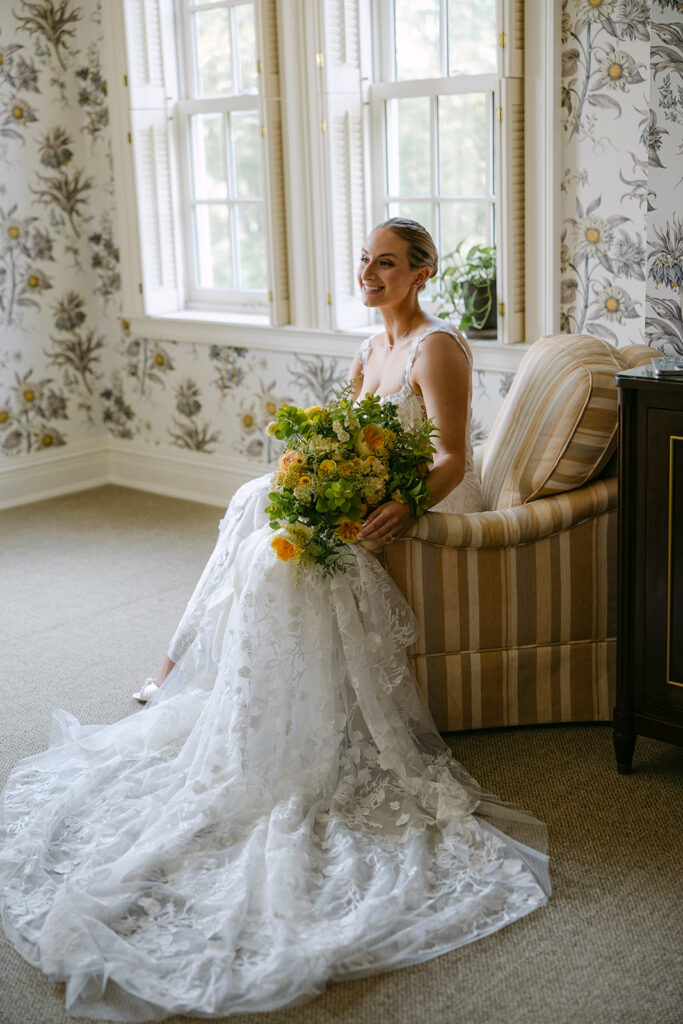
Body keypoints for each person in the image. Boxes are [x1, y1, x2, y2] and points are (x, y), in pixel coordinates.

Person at [0, 219, 549, 1021]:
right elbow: (344, 436)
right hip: (365, 491)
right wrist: (318, 472)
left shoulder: (437, 347)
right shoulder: (371, 347)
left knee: (271, 557)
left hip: (418, 509)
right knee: (254, 498)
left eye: (386, 264)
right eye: (363, 260)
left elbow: (452, 459)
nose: (368, 274)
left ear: (422, 272)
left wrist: (393, 505)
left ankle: (218, 690)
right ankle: (187, 665)